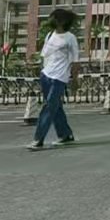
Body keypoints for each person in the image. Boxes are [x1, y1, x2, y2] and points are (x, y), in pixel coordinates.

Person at [27, 8, 79, 151]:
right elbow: (45, 56)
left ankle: (38, 139)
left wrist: (74, 80)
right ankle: (65, 135)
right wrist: (39, 71)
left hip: (59, 78)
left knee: (49, 107)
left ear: (61, 20)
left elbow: (75, 61)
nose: (50, 20)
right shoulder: (50, 35)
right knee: (56, 107)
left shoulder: (70, 38)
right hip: (46, 76)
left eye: (53, 17)